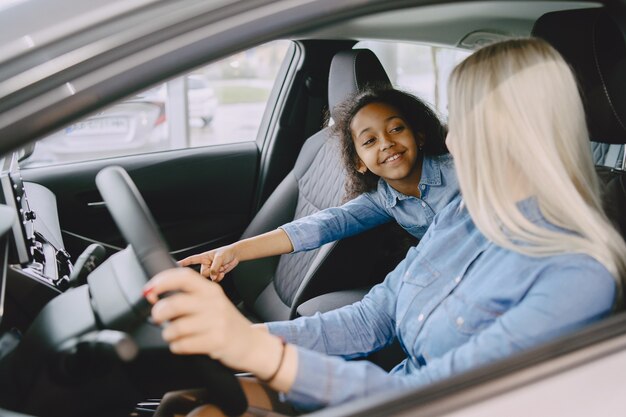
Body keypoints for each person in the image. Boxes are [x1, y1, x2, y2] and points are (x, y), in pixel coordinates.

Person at [144, 38, 626, 416]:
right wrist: (246, 339)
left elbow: (426, 400)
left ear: (522, 133)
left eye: (466, 123)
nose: (452, 141)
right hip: (384, 390)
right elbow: (372, 315)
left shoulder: (576, 277)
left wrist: (261, 353)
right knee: (184, 401)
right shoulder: (459, 217)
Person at [178, 87, 458, 282]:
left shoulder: (460, 169)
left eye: (396, 129)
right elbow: (320, 226)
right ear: (359, 162)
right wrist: (234, 251)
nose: (387, 143)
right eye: (370, 141)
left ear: (419, 136)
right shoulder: (382, 200)